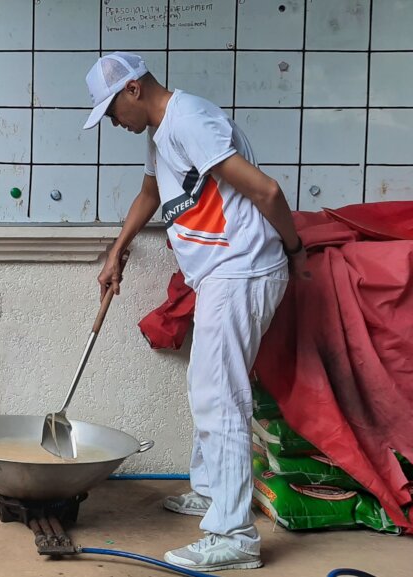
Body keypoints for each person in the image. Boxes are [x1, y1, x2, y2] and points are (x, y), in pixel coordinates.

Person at [82, 52, 308, 571]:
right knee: (209, 387)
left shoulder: (190, 119)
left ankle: (234, 537)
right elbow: (149, 192)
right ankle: (212, 492)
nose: (114, 122)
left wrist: (296, 252)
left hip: (242, 269)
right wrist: (118, 249)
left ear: (133, 89)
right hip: (221, 274)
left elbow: (266, 190)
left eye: (112, 110)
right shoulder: (159, 131)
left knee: (219, 395)